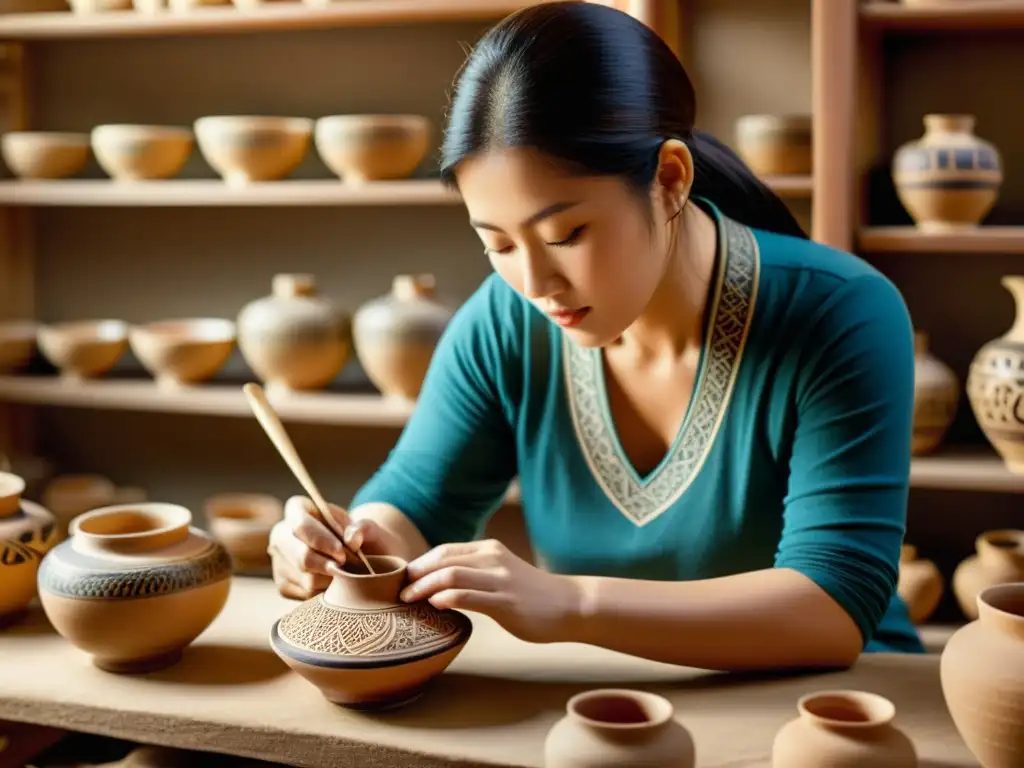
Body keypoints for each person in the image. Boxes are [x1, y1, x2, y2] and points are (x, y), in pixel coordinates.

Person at [268, 0, 925, 671]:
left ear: (669, 179)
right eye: (496, 244)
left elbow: (832, 609)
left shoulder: (841, 313)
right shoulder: (505, 320)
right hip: (602, 703)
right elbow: (418, 503)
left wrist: (573, 602)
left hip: (832, 710)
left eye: (566, 235)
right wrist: (347, 544)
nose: (534, 282)